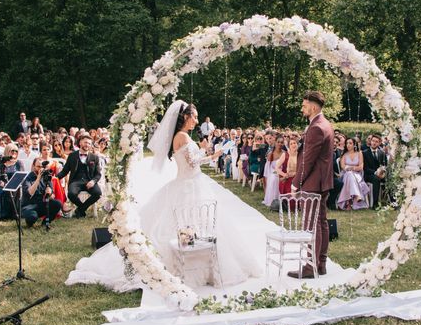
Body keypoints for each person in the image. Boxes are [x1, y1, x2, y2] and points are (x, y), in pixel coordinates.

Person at [136, 100, 268, 287]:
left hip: (191, 182)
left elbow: (194, 160)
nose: (197, 121)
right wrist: (208, 152)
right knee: (194, 222)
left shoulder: (183, 136)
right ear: (186, 117)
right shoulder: (181, 136)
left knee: (202, 224)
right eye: (195, 117)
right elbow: (193, 163)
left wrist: (211, 154)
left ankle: (201, 265)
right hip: (189, 185)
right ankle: (194, 265)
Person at [290, 91, 334, 278]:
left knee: (312, 225)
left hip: (313, 183)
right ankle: (320, 263)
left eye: (304, 104)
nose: (302, 108)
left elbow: (308, 160)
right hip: (322, 182)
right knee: (321, 222)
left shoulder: (316, 127)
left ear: (314, 107)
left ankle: (310, 267)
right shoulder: (325, 124)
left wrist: (295, 183)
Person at [56, 134, 102, 218]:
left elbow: (98, 174)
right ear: (80, 143)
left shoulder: (95, 157)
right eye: (85, 142)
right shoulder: (72, 156)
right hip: (75, 181)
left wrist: (93, 181)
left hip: (89, 181)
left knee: (98, 193)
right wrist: (56, 178)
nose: (87, 145)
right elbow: (65, 171)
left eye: (89, 143)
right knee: (71, 194)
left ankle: (80, 210)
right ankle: (82, 209)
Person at [21, 158, 63, 227]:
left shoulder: (46, 176)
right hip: (28, 205)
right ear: (33, 166)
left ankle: (45, 222)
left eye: (42, 167)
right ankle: (29, 223)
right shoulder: (28, 178)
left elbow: (52, 196)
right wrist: (38, 178)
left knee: (57, 203)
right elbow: (29, 194)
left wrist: (50, 193)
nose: (40, 169)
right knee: (32, 217)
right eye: (38, 166)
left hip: (40, 204)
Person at [0, 144, 24, 221]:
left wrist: (14, 183)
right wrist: (2, 183)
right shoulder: (0, 164)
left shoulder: (19, 163)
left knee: (16, 190)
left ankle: (14, 213)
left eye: (16, 151)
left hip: (16, 184)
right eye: (12, 151)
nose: (14, 152)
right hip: (4, 185)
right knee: (2, 190)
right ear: (7, 152)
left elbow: (22, 176)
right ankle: (4, 214)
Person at [336, 137, 369, 210]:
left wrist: (350, 167)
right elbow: (343, 167)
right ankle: (357, 196)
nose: (348, 145)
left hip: (357, 175)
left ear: (354, 145)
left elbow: (361, 167)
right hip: (345, 175)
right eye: (347, 143)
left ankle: (348, 203)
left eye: (350, 143)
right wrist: (353, 167)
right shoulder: (344, 154)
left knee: (350, 175)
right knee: (349, 174)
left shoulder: (359, 153)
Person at [363, 133, 387, 209]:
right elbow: (365, 168)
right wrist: (375, 172)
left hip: (380, 174)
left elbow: (385, 164)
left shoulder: (382, 153)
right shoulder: (364, 153)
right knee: (376, 179)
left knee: (389, 179)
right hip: (369, 175)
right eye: (373, 141)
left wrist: (382, 171)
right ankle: (375, 204)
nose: (374, 143)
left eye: (376, 141)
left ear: (379, 143)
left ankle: (391, 201)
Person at [262, 135, 284, 206]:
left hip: (283, 173)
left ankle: (283, 201)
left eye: (281, 142)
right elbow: (267, 170)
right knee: (274, 178)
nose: (280, 144)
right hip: (273, 173)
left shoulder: (285, 153)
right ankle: (273, 200)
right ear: (275, 143)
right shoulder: (270, 154)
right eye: (278, 142)